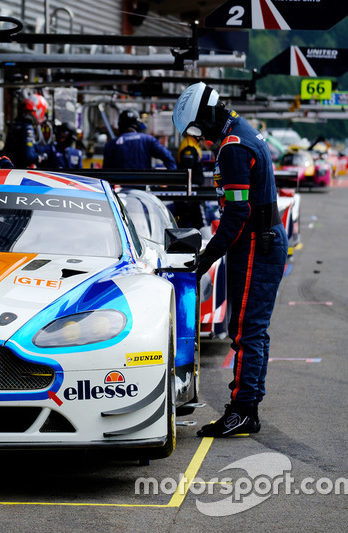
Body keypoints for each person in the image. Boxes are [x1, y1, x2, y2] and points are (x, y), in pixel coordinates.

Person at [172, 82, 288, 438]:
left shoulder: (233, 149)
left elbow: (236, 215)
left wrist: (204, 259)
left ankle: (242, 410)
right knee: (253, 329)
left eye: (197, 129)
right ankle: (248, 405)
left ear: (207, 116)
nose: (200, 137)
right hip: (262, 238)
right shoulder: (240, 131)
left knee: (246, 330)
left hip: (257, 243)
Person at [103, 109, 176, 170]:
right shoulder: (148, 140)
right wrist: (171, 181)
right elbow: (168, 157)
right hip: (144, 186)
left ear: (120, 125)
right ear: (138, 124)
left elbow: (105, 173)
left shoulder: (111, 144)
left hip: (119, 186)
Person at [3, 93, 47, 168]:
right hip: (19, 171)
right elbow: (29, 156)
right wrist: (40, 157)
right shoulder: (27, 127)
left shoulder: (16, 125)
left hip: (11, 168)